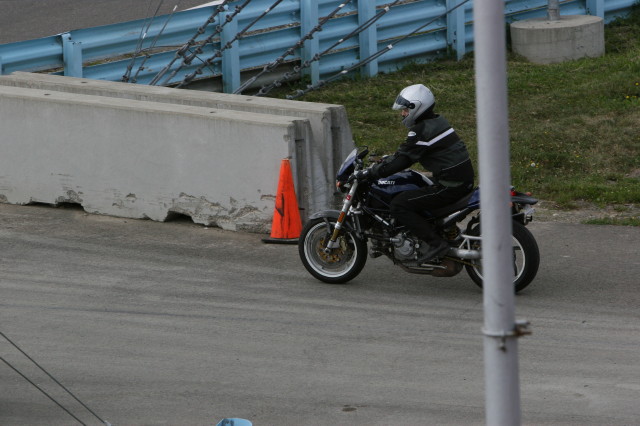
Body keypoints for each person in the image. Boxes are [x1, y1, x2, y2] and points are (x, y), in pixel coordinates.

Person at [357, 84, 475, 262]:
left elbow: (402, 161)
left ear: (416, 108)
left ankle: (436, 244)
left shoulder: (420, 131)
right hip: (458, 180)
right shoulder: (436, 121)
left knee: (399, 204)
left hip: (451, 186)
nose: (403, 114)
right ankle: (436, 232)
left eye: (405, 110)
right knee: (417, 186)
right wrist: (388, 160)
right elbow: (405, 154)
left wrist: (371, 173)